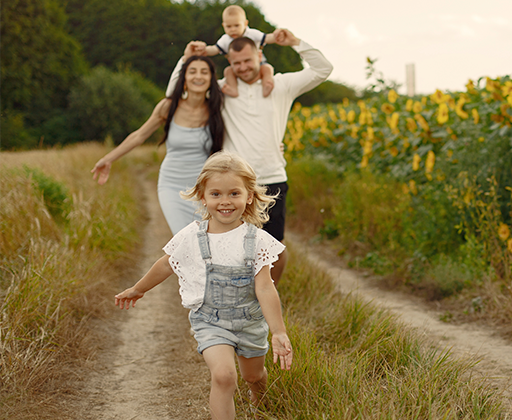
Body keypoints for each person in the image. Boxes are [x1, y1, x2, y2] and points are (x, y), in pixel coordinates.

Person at [114, 151, 293, 420]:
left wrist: (278, 331)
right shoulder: (191, 236)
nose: (225, 201)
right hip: (210, 321)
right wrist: (138, 288)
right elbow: (166, 264)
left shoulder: (257, 240)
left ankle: (261, 403)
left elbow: (265, 287)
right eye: (216, 193)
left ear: (249, 196)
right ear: (203, 197)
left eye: (234, 193)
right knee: (224, 376)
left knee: (253, 376)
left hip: (249, 321)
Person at [166, 28, 333, 285]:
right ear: (229, 65)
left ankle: (263, 300)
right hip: (233, 185)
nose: (243, 67)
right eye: (236, 64)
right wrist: (185, 59)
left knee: (274, 248)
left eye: (247, 61)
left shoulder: (281, 85)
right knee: (230, 250)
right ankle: (225, 302)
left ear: (259, 55)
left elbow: (323, 69)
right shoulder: (222, 90)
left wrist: (296, 43)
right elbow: (177, 93)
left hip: (273, 177)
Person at [92, 48, 224, 235]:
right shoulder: (168, 107)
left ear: (211, 79)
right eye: (192, 71)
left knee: (207, 241)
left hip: (206, 188)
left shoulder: (219, 109)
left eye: (204, 72)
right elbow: (139, 135)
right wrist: (108, 158)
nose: (198, 76)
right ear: (184, 78)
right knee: (184, 239)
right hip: (172, 185)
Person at [205, 4, 275, 98]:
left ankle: (267, 84)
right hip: (236, 67)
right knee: (228, 71)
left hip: (259, 63)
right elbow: (215, 49)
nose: (233, 30)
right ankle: (233, 89)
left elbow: (266, 38)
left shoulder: (252, 33)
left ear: (245, 24)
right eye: (228, 27)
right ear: (223, 26)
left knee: (267, 68)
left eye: (237, 25)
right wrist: (204, 50)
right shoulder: (225, 39)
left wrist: (276, 37)